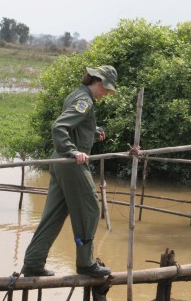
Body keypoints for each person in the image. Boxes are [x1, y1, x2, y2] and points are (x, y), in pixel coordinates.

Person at [21, 65, 119, 277]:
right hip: (71, 164)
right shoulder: (84, 100)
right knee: (91, 209)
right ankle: (85, 263)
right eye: (107, 89)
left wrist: (94, 131)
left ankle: (33, 263)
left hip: (60, 163)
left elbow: (76, 126)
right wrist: (73, 151)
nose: (107, 94)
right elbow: (60, 127)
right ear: (99, 82)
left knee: (53, 215)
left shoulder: (79, 94)